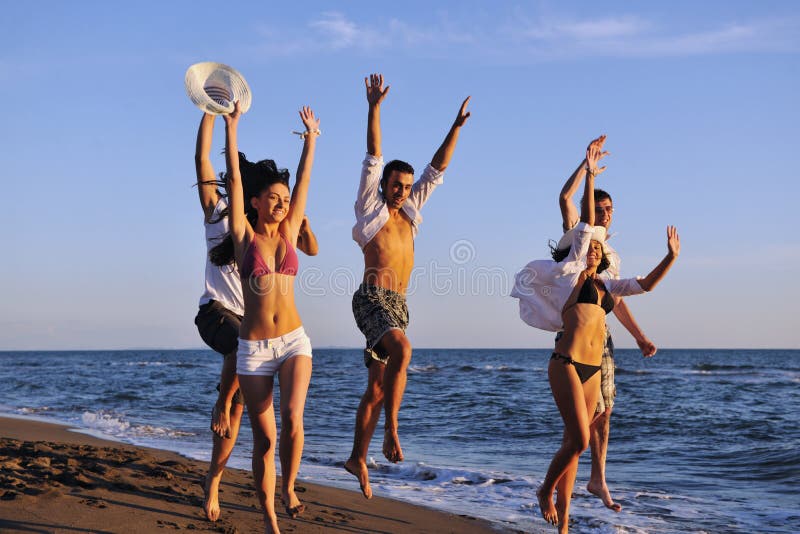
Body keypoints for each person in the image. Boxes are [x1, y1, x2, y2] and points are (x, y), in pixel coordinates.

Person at [511, 141, 680, 531]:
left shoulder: (606, 284)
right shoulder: (572, 276)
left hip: (592, 364)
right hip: (567, 362)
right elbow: (584, 225)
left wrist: (670, 256)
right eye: (589, 244)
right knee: (580, 442)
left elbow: (645, 285)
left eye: (597, 248)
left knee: (574, 443)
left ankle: (566, 523)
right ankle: (544, 491)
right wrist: (588, 174)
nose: (593, 247)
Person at [344, 73, 471, 499]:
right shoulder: (372, 210)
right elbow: (372, 156)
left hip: (398, 304)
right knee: (405, 350)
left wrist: (454, 128)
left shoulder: (412, 212)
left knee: (377, 387)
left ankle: (357, 457)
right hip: (371, 299)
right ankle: (392, 432)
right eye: (394, 185)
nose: (400, 191)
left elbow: (437, 169)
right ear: (383, 187)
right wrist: (374, 107)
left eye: (404, 186)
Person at [192, 112, 318, 523]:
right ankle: (269, 517)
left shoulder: (291, 226)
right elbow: (230, 176)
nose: (282, 204)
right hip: (253, 347)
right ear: (255, 202)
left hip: (294, 339)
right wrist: (231, 125)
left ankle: (288, 488)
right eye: (274, 199)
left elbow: (302, 185)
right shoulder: (242, 235)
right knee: (265, 441)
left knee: (293, 417)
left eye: (284, 200)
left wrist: (311, 140)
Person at [554, 134, 656, 512]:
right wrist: (587, 168)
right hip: (576, 339)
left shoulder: (609, 254)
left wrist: (641, 338)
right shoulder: (576, 238)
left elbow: (617, 299)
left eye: (611, 207)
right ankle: (560, 485)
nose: (607, 212)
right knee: (580, 422)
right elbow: (566, 199)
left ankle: (597, 478)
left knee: (605, 410)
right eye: (601, 206)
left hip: (604, 336)